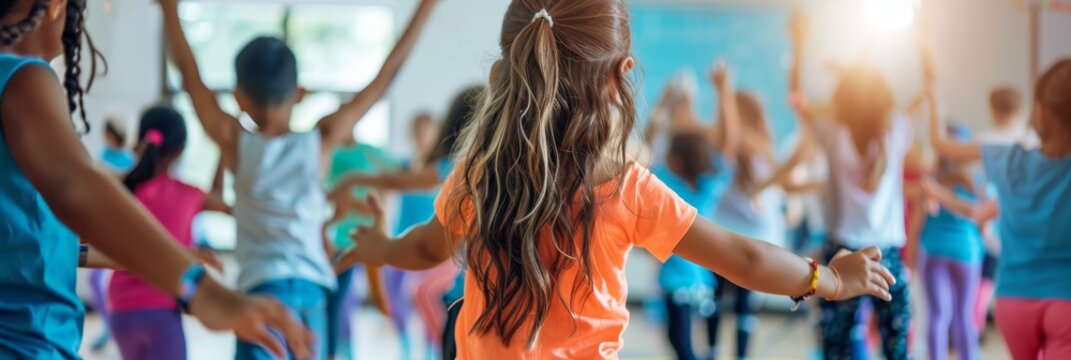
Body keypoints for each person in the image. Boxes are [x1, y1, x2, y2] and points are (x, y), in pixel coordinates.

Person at [335, 1, 895, 358]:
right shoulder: (627, 190)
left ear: (508, 70)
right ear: (620, 75)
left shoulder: (480, 175)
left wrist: (380, 247)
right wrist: (830, 279)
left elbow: (428, 247)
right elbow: (744, 259)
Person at [0, 1, 312, 358]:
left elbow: (27, 246)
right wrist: (202, 290)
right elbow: (73, 186)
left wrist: (159, 258)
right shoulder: (24, 77)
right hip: (24, 343)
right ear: (55, 5)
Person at [158, 0, 438, 357]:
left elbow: (190, 77)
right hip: (312, 294)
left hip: (262, 292)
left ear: (239, 99)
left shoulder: (236, 142)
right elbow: (384, 80)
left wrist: (169, 10)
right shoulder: (321, 140)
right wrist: (426, 7)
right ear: (299, 93)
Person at [924, 58, 1071, 360]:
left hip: (1014, 300)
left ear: (1040, 112)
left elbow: (940, 143)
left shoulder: (1007, 159)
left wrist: (932, 92)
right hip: (1065, 302)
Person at [789, 14, 914, 360]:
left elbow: (798, 98)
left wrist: (799, 45)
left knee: (836, 343)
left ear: (842, 97)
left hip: (842, 251)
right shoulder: (897, 126)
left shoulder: (832, 130)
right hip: (887, 251)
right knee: (896, 344)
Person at [330, 86, 484, 358]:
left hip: (464, 298)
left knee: (419, 295)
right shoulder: (452, 168)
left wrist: (356, 182)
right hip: (459, 291)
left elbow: (427, 247)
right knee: (395, 298)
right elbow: (397, 179)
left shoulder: (464, 171)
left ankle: (423, 349)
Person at [107, 106, 229, 360]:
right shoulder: (187, 194)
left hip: (120, 312)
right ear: (180, 150)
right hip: (160, 312)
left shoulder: (123, 188)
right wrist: (223, 150)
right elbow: (220, 200)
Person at [648, 61, 740, 360]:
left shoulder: (666, 183)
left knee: (681, 346)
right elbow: (727, 144)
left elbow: (648, 141)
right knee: (690, 345)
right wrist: (724, 92)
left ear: (675, 158)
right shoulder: (709, 187)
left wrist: (663, 103)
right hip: (701, 280)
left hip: (675, 281)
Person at [917, 124, 985, 360]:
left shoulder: (931, 181)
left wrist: (911, 257)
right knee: (964, 316)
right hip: (967, 253)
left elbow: (919, 220)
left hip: (934, 251)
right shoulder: (976, 182)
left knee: (937, 315)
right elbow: (982, 223)